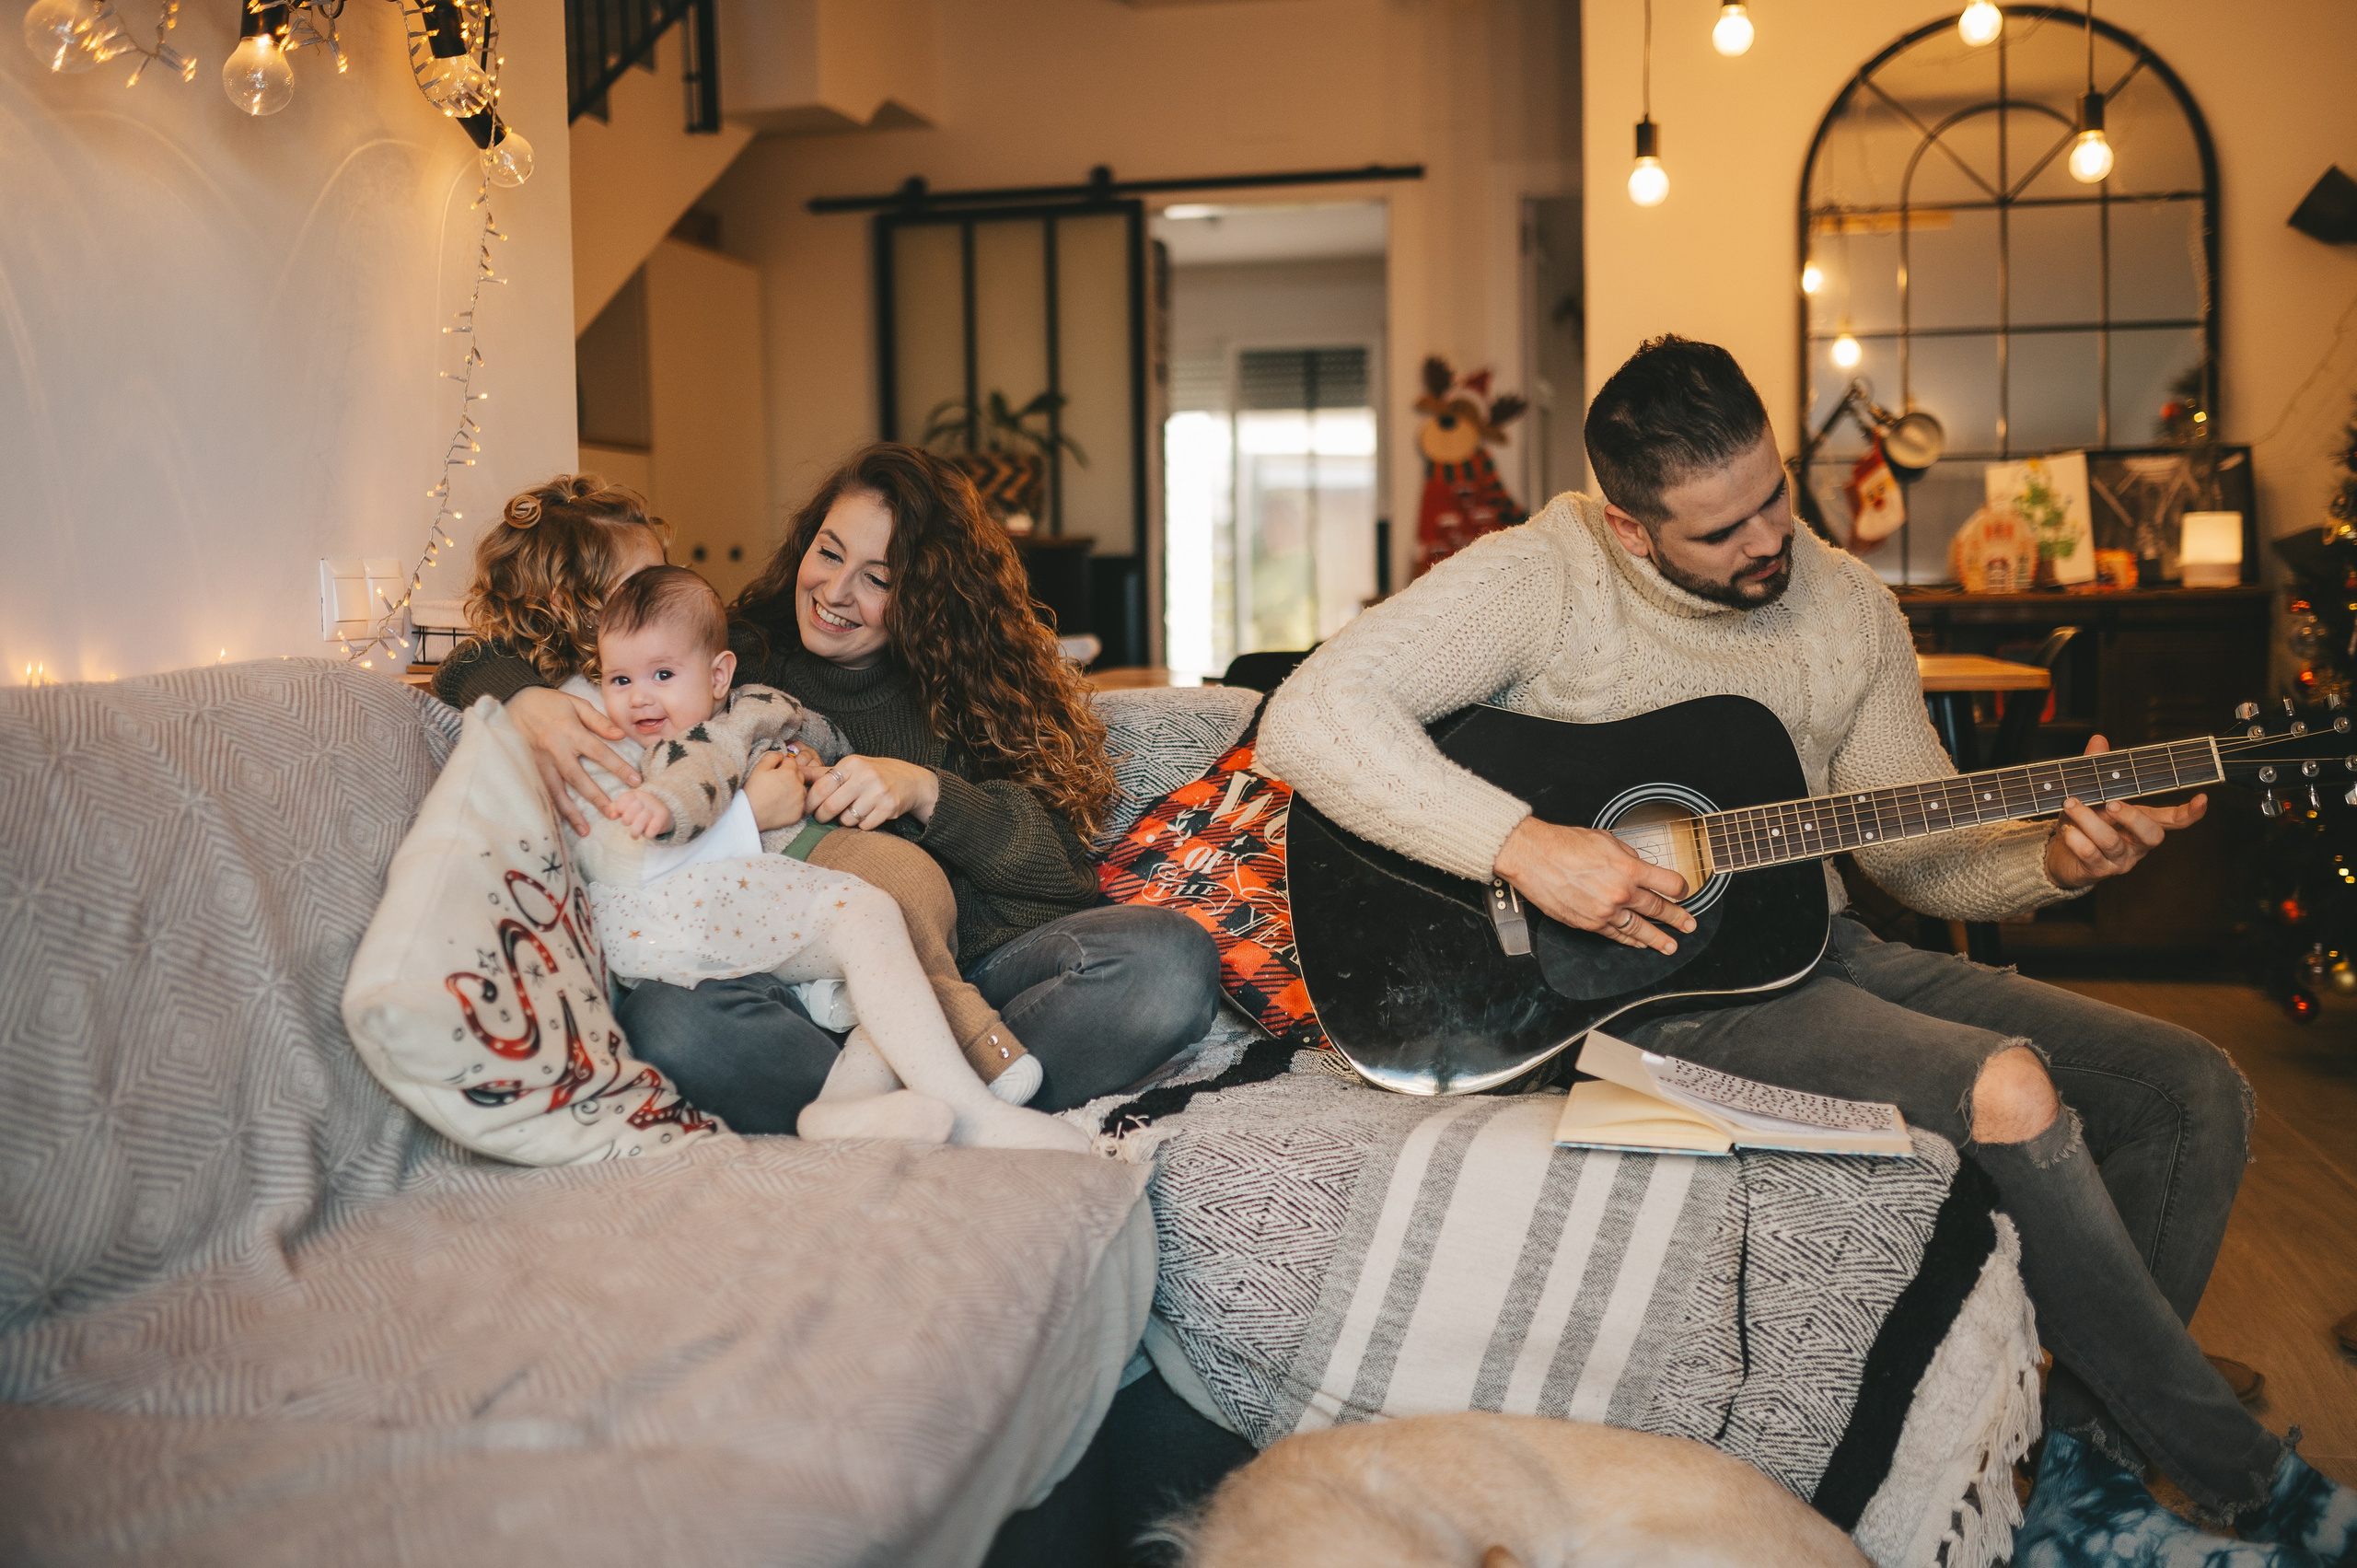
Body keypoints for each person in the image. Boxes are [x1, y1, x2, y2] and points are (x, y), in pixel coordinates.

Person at [1259, 336, 2357, 1567]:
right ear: (1629, 528)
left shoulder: (1845, 607)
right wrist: (1525, 843)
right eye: (1720, 532)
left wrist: (2056, 861)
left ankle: (2078, 1469)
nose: (1766, 543)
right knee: (2008, 1082)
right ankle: (2254, 1484)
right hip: (1623, 996)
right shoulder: (1542, 577)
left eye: (1771, 498)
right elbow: (1311, 713)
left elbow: (1915, 847)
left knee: (2191, 1088)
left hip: (1808, 949)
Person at [435, 443, 1222, 1129]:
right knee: (673, 1022)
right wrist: (527, 701)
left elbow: (1062, 872)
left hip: (971, 977)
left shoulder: (973, 688)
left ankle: (925, 1094)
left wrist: (925, 792)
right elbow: (482, 656)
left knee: (1172, 962)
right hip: (809, 996)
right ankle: (937, 1102)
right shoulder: (739, 652)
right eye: (829, 551)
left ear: (930, 595)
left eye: (878, 576)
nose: (837, 590)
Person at [567, 565, 1080, 1152]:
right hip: (680, 931)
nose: (639, 698)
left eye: (662, 675)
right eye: (618, 678)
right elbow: (680, 796)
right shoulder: (632, 748)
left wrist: (816, 763)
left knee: (883, 984)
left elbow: (809, 736)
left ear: (717, 676)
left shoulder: (742, 718)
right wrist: (689, 811)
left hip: (763, 925)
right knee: (866, 917)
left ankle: (841, 1109)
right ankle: (970, 1106)